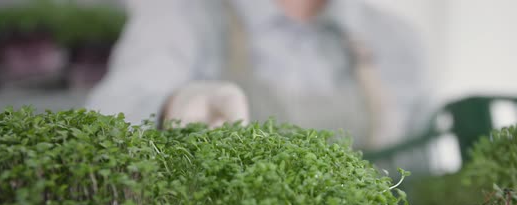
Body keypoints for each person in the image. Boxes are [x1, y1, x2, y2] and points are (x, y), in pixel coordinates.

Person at [87, 0, 427, 149]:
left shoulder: (395, 38)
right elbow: (107, 111)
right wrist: (170, 108)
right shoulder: (183, 12)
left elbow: (422, 157)